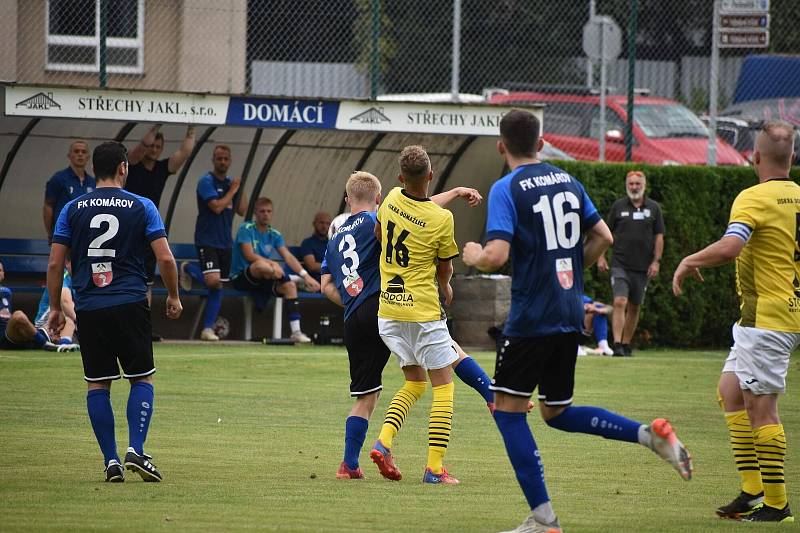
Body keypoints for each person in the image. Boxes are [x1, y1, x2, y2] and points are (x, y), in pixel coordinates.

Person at [461, 109, 692, 533]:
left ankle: (544, 519)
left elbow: (495, 255)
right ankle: (648, 435)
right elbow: (604, 236)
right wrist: (572, 271)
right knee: (555, 411)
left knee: (507, 411)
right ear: (542, 143)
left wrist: (471, 252)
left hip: (531, 316)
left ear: (501, 147)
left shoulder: (506, 187)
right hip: (569, 312)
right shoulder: (569, 181)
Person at [319, 171, 493, 481]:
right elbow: (420, 209)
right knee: (447, 354)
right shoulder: (378, 216)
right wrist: (453, 192)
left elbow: (325, 286)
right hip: (387, 305)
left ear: (347, 200)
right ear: (378, 198)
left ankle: (349, 465)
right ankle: (491, 397)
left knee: (369, 396)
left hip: (353, 316)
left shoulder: (334, 238)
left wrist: (352, 302)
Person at [673, 121, 798, 523]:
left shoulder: (753, 197)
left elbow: (732, 246)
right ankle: (752, 489)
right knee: (730, 392)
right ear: (792, 157)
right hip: (770, 317)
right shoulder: (797, 195)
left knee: (762, 410)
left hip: (769, 320)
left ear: (755, 156)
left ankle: (778, 505)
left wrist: (689, 259)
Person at [47, 141, 182, 483]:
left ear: (95, 169)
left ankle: (110, 461)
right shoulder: (142, 205)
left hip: (90, 306)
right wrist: (174, 296)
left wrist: (53, 308)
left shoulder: (72, 208)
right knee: (141, 378)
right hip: (130, 301)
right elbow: (165, 258)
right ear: (124, 167)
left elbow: (54, 263)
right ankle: (135, 448)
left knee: (97, 385)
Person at [366, 145, 467, 486]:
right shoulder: (442, 220)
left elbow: (381, 234)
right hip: (423, 311)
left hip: (389, 310)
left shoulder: (391, 198)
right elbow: (445, 266)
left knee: (414, 382)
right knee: (444, 387)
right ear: (431, 175)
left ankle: (383, 441)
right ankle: (435, 470)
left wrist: (452, 193)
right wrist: (448, 288)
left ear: (399, 178)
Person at [179, 145, 248, 341]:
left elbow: (242, 210)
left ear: (230, 160)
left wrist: (240, 190)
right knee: (213, 281)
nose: (223, 162)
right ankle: (189, 268)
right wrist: (233, 190)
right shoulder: (206, 182)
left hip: (225, 242)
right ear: (213, 159)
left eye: (226, 159)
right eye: (219, 158)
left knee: (218, 286)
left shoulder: (230, 184)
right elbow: (216, 207)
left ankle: (207, 329)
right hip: (207, 239)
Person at [230, 197, 320, 343]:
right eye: (262, 211)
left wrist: (306, 275)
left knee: (289, 287)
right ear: (255, 213)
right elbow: (249, 255)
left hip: (266, 276)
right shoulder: (245, 229)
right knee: (260, 265)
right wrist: (273, 264)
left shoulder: (274, 234)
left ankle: (296, 332)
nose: (265, 214)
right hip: (242, 277)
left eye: (269, 211)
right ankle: (294, 279)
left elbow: (288, 256)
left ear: (272, 214)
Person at [596, 170, 664, 357]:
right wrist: (600, 256)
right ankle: (617, 344)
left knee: (634, 306)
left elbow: (659, 237)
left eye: (637, 184)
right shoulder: (618, 206)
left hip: (642, 267)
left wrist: (656, 262)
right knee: (619, 301)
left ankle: (626, 344)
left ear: (644, 185)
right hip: (620, 264)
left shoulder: (654, 208)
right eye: (631, 184)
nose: (634, 187)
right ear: (627, 185)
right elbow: (605, 233)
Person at [125, 124, 195, 302]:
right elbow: (141, 146)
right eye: (152, 145)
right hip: (128, 226)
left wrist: (192, 127)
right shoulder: (132, 164)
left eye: (158, 147)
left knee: (147, 281)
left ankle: (143, 324)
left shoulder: (162, 168)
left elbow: (184, 152)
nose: (154, 149)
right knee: (127, 277)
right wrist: (157, 124)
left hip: (148, 229)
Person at [0, 261, 78, 352]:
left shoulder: (7, 293)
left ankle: (64, 344)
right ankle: (46, 344)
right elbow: (65, 301)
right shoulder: (63, 276)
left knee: (68, 317)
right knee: (18, 315)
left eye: (0, 270)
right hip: (5, 337)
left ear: (4, 274)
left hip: (13, 333)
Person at [43, 140, 95, 243]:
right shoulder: (59, 179)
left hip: (86, 236)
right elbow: (48, 206)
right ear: (69, 155)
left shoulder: (93, 182)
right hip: (64, 235)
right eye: (76, 151)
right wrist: (51, 233)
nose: (80, 154)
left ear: (88, 157)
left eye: (83, 152)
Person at [34, 266, 79, 347]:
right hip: (47, 324)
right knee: (68, 315)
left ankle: (65, 342)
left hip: (64, 323)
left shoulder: (79, 278)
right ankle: (64, 344)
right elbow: (66, 302)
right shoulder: (63, 274)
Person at [299, 211, 332, 282]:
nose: (324, 226)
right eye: (321, 223)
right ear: (314, 224)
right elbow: (312, 266)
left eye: (328, 224)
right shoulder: (308, 243)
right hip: (317, 280)